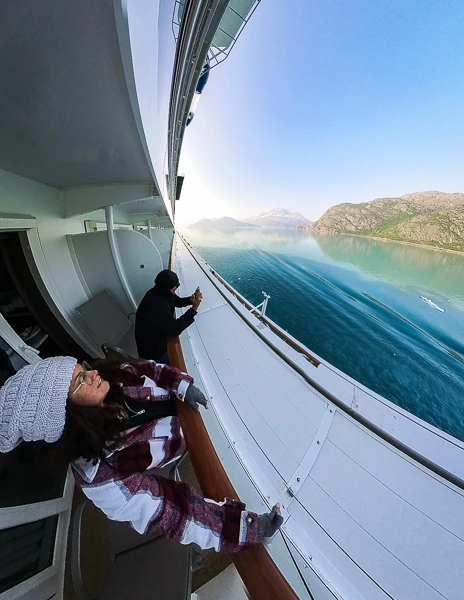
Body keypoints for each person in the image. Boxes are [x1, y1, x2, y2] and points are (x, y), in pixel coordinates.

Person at [0, 356, 283, 552]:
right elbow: (174, 512)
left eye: (82, 368)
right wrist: (245, 529)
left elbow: (152, 369)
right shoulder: (101, 476)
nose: (92, 373)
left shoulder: (115, 377)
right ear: (65, 416)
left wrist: (181, 385)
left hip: (200, 409)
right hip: (200, 439)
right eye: (80, 381)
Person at [135, 270, 202, 364]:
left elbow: (175, 301)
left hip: (156, 339)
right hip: (153, 351)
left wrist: (189, 301)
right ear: (166, 288)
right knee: (172, 365)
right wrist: (194, 309)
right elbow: (174, 329)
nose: (175, 291)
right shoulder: (155, 304)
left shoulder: (159, 292)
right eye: (173, 289)